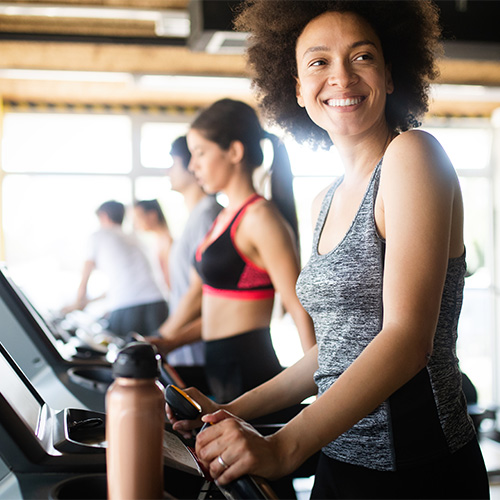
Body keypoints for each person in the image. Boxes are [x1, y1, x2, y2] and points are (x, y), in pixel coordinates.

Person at [168, 2, 490, 499]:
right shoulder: (324, 201)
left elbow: (407, 339)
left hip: (416, 470)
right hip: (340, 463)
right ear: (297, 87)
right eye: (319, 62)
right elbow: (333, 352)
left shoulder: (413, 156)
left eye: (362, 57)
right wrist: (228, 410)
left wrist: (285, 447)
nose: (341, 76)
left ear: (388, 75)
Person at [150, 99, 316, 405]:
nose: (192, 165)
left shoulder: (260, 218)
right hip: (220, 366)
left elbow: (297, 306)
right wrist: (170, 342)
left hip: (248, 370)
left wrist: (323, 384)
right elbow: (218, 313)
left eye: (200, 153)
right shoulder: (224, 217)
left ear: (235, 152)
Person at [154, 136, 222, 386]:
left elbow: (200, 291)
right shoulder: (196, 216)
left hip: (197, 350)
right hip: (185, 347)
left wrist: (164, 335)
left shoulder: (208, 216)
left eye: (173, 163)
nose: (167, 171)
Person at [64, 200, 168, 338]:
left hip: (129, 307)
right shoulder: (133, 237)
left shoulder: (99, 235)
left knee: (125, 353)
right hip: (158, 303)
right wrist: (89, 302)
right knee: (155, 353)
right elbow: (127, 284)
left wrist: (75, 304)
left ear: (104, 215)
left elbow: (85, 278)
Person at [133, 199, 173, 290]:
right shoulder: (156, 242)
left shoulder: (167, 242)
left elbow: (170, 279)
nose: (135, 224)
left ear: (152, 215)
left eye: (138, 217)